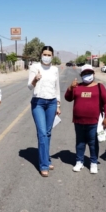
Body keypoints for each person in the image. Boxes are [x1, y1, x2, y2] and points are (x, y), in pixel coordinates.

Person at [65, 64, 106, 174]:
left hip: (94, 121)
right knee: (80, 143)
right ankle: (79, 161)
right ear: (81, 75)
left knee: (93, 142)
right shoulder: (77, 86)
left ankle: (93, 163)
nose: (87, 75)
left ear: (93, 74)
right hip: (78, 121)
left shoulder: (99, 86)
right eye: (85, 74)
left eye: (89, 73)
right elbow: (68, 98)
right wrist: (70, 88)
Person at [28, 46, 61, 177]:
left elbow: (57, 88)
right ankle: (43, 165)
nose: (46, 56)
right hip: (38, 103)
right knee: (42, 133)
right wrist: (35, 79)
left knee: (47, 133)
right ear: (41, 55)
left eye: (49, 54)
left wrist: (58, 104)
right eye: (44, 54)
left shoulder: (55, 69)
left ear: (52, 56)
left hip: (52, 102)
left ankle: (46, 159)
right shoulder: (34, 67)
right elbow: (29, 86)